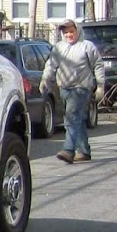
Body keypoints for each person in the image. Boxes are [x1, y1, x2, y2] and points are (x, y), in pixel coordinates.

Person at [40, 19, 106, 164]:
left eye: (71, 31)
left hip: (81, 88)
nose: (69, 35)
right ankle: (83, 151)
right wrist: (45, 79)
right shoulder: (58, 48)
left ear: (77, 31)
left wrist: (100, 85)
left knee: (72, 117)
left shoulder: (87, 46)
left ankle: (68, 150)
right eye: (66, 32)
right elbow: (51, 65)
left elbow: (98, 65)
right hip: (64, 88)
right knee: (76, 119)